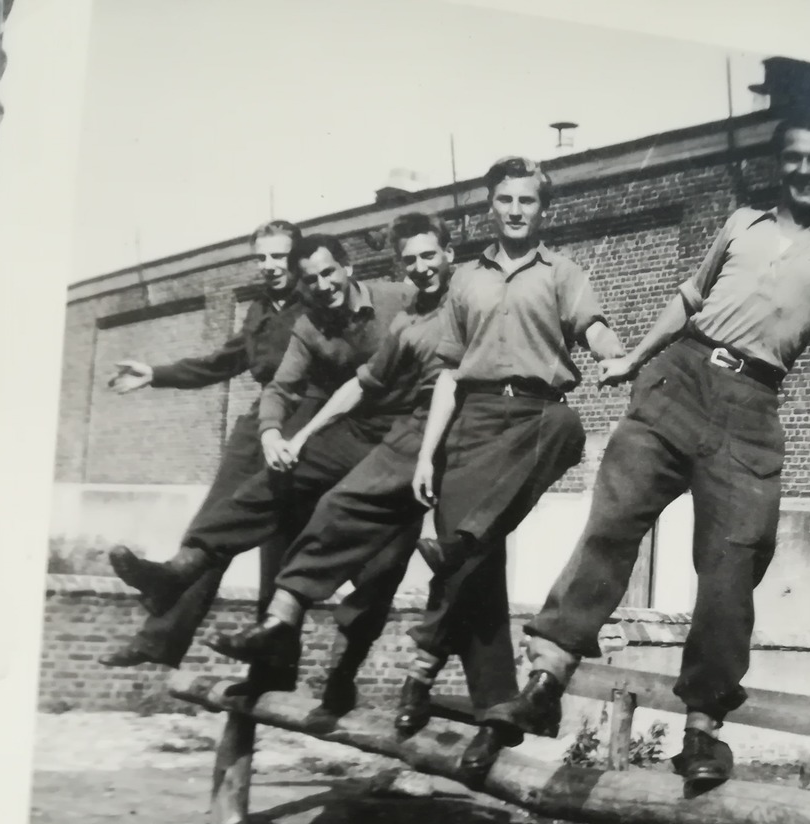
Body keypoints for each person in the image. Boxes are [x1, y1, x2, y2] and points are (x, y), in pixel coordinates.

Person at [470, 113, 810, 789]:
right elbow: (690, 299)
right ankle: (546, 680)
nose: (806, 170)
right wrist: (633, 357)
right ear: (782, 164)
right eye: (795, 158)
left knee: (731, 566)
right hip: (677, 380)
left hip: (751, 410)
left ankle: (703, 732)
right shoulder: (742, 223)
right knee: (611, 525)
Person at [204, 158, 626, 773]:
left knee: (500, 508)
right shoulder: (464, 286)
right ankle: (494, 715)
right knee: (468, 569)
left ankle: (442, 630)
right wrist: (428, 454)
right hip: (471, 420)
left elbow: (593, 326)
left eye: (526, 201)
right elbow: (450, 373)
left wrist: (614, 354)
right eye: (504, 199)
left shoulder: (562, 273)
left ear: (543, 208)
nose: (515, 210)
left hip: (536, 413)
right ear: (491, 206)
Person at [110, 225, 437, 727]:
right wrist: (268, 432)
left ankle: (340, 673)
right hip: (338, 431)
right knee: (265, 494)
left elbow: (452, 316)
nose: (322, 284)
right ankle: (182, 572)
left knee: (380, 566)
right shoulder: (295, 320)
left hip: (400, 439)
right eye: (312, 277)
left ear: (348, 269)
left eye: (329, 271)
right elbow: (275, 382)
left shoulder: (399, 299)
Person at [98, 219, 307, 671]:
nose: (269, 266)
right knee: (211, 528)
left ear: (297, 257)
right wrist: (156, 373)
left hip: (306, 426)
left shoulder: (320, 302)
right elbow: (225, 361)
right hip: (258, 425)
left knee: (282, 549)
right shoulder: (260, 309)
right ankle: (159, 640)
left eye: (278, 256)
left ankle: (271, 669)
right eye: (262, 257)